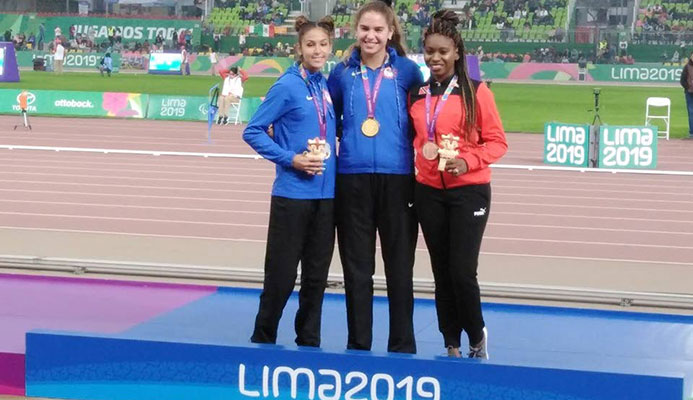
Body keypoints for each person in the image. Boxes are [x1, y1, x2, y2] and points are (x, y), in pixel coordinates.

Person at [408, 10, 507, 359]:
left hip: (469, 190)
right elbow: (415, 139)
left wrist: (467, 161)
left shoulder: (477, 92)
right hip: (429, 191)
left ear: (457, 53)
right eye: (429, 51)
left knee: (462, 271)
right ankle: (450, 341)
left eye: (442, 52)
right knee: (441, 272)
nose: (435, 58)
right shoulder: (417, 94)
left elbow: (497, 142)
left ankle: (476, 337)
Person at [327, 0, 423, 354]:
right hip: (352, 179)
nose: (371, 36)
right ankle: (359, 344)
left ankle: (402, 344)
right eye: (365, 29)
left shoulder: (409, 73)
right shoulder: (341, 73)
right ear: (355, 31)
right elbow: (329, 117)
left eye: (378, 30)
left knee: (400, 268)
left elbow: (422, 122)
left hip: (398, 180)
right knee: (357, 270)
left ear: (391, 33)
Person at [243, 15, 337, 348]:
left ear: (331, 47)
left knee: (316, 278)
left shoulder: (323, 84)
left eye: (323, 44)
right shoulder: (286, 85)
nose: (317, 50)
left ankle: (308, 342)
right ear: (298, 48)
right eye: (310, 44)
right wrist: (291, 158)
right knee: (281, 277)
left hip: (326, 199)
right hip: (292, 196)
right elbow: (252, 130)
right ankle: (263, 338)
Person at [681, 51, 693, 139]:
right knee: (691, 112)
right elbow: (682, 80)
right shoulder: (687, 67)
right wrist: (688, 87)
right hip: (689, 93)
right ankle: (692, 132)